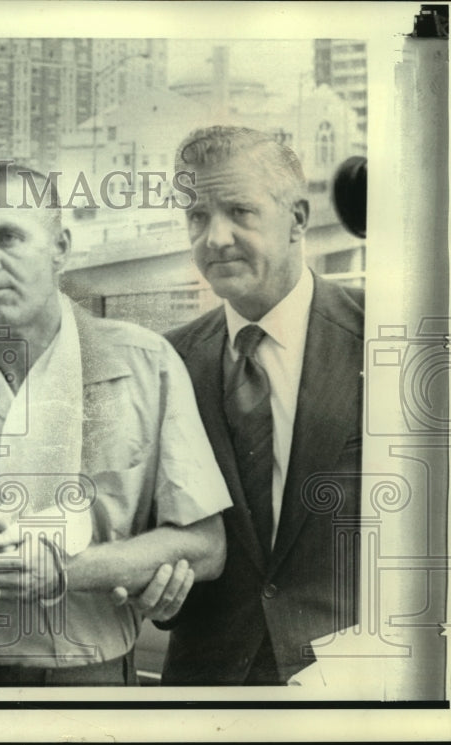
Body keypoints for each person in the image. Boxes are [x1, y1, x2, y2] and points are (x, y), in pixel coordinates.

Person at [0, 163, 231, 686]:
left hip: (88, 683)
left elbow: (206, 545)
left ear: (60, 248)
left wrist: (64, 570)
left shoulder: (145, 366)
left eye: (8, 236)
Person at [160, 126, 365, 685]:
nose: (215, 237)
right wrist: (155, 592)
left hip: (352, 685)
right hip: (207, 688)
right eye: (197, 216)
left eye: (239, 211)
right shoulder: (167, 361)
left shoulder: (386, 337)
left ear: (297, 218)